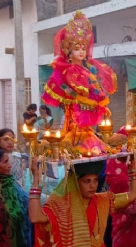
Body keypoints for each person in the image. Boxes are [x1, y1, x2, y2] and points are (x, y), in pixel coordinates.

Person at [29, 159, 136, 247]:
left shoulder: (102, 201)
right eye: (87, 181)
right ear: (75, 182)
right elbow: (35, 217)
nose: (92, 186)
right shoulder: (61, 207)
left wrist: (132, 170)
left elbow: (134, 194)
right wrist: (36, 180)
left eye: (95, 180)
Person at [41, 11, 118, 154]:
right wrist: (72, 95)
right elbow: (63, 86)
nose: (81, 52)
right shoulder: (66, 70)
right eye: (77, 49)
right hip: (74, 114)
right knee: (76, 135)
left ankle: (89, 143)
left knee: (89, 135)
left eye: (83, 48)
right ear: (69, 53)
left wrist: (101, 106)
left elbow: (96, 93)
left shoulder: (89, 70)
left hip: (85, 116)